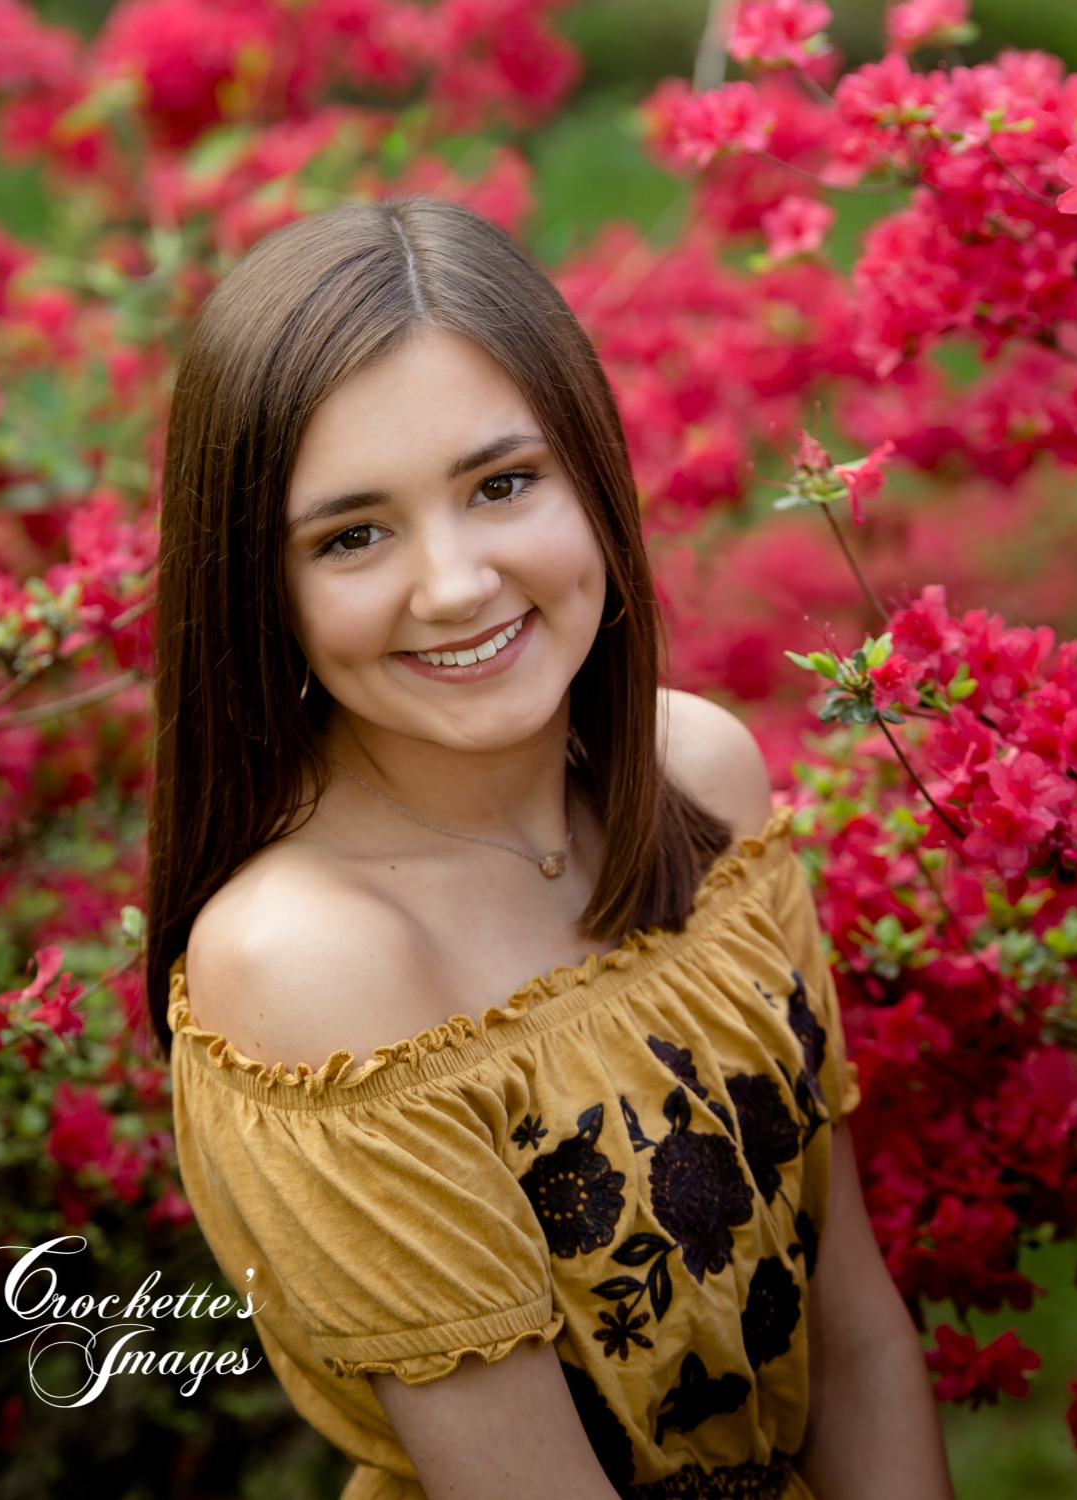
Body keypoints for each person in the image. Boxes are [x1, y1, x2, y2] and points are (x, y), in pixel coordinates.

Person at [146, 195, 954, 1500]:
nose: (457, 581)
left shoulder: (703, 772)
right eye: (353, 535)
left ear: (593, 477)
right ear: (259, 589)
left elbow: (851, 1332)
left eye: (503, 484)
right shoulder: (313, 959)